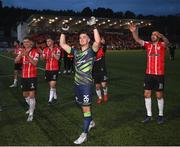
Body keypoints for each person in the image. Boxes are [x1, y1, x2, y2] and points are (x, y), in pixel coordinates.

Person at [60, 16, 101, 144]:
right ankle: (91, 122)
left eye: (84, 37)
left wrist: (94, 26)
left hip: (86, 85)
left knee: (85, 109)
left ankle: (84, 134)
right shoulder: (76, 52)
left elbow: (98, 42)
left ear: (88, 40)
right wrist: (63, 31)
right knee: (82, 105)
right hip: (77, 84)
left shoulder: (91, 51)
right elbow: (62, 44)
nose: (81, 39)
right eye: (80, 38)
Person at [129, 23, 169, 124]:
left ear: (158, 37)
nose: (152, 36)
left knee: (159, 95)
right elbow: (137, 40)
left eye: (154, 35)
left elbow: (167, 43)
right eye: (152, 35)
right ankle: (149, 115)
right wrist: (134, 31)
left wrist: (162, 36)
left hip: (159, 74)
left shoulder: (162, 45)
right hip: (149, 74)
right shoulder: (148, 45)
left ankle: (160, 116)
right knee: (146, 94)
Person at [15, 37, 39, 122]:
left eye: (27, 42)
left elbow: (35, 63)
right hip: (24, 77)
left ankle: (31, 114)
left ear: (30, 43)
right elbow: (16, 61)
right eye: (24, 42)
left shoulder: (35, 52)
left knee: (32, 95)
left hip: (32, 76)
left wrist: (27, 55)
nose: (25, 43)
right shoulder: (21, 51)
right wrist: (21, 55)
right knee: (25, 95)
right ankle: (31, 107)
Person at [40, 36, 61, 104]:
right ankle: (55, 96)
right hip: (47, 69)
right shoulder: (45, 49)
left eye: (49, 41)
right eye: (47, 41)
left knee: (52, 85)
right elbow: (42, 59)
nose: (47, 42)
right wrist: (42, 55)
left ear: (52, 42)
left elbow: (58, 58)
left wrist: (53, 53)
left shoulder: (57, 49)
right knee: (51, 85)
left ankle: (50, 100)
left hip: (54, 69)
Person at [92, 36, 108, 104]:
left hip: (102, 70)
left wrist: (104, 43)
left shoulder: (102, 50)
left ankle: (105, 94)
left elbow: (104, 47)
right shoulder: (92, 52)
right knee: (97, 87)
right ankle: (100, 98)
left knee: (104, 85)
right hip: (95, 71)